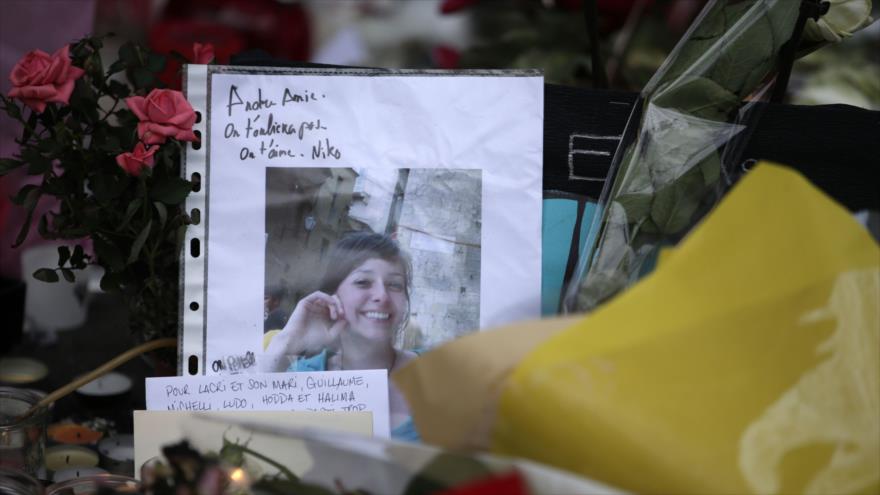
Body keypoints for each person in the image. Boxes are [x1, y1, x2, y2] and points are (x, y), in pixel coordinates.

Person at [263, 232, 419, 440]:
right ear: (332, 294)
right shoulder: (305, 375)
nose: (382, 295)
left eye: (395, 285)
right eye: (363, 282)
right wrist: (286, 341)